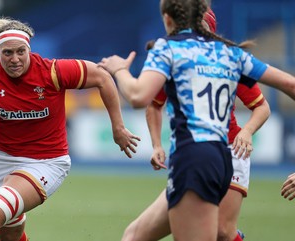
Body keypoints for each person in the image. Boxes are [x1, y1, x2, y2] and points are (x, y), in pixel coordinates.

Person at [98, 0, 295, 240]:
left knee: (220, 231)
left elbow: (138, 96)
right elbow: (290, 84)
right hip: (219, 160)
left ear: (169, 19)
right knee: (133, 236)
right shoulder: (231, 53)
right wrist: (158, 145)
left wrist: (119, 70)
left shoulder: (168, 49)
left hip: (194, 157)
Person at [0, 16, 140, 241]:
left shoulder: (52, 72)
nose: (15, 59)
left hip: (46, 162)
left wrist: (118, 127)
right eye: (7, 53)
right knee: (8, 232)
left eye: (20, 52)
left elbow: (103, 77)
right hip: (1, 157)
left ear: (29, 49)